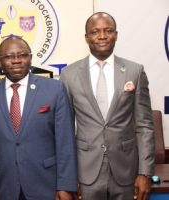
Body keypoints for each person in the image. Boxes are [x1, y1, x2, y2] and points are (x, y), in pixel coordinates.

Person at [60, 12, 155, 200]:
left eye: (108, 30)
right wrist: (67, 178)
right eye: (95, 32)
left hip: (126, 171)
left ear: (116, 35)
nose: (102, 36)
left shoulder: (134, 71)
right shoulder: (68, 75)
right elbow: (65, 130)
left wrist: (145, 173)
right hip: (85, 173)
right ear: (86, 37)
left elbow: (144, 126)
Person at [0, 36, 77, 200]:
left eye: (22, 55)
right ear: (0, 61)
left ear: (30, 58)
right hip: (5, 186)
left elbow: (65, 141)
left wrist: (65, 185)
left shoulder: (54, 89)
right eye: (9, 56)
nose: (16, 61)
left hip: (46, 184)